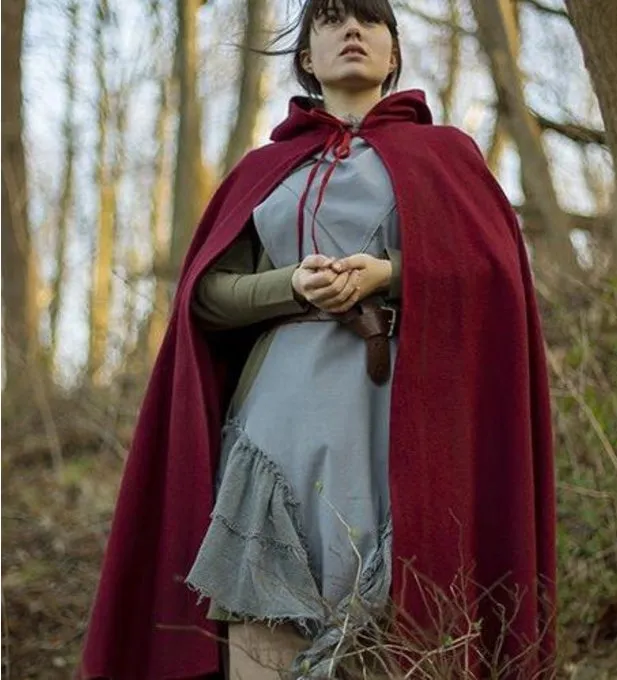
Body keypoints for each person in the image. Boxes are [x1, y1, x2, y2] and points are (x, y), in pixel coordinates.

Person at [77, 1, 556, 679]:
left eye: (369, 21)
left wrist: (390, 274)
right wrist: (293, 285)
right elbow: (206, 296)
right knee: (263, 634)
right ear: (307, 56)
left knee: (399, 629)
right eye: (331, 20)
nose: (352, 30)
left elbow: (494, 276)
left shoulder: (447, 156)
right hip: (273, 432)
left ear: (394, 54)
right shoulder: (266, 168)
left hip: (399, 428)